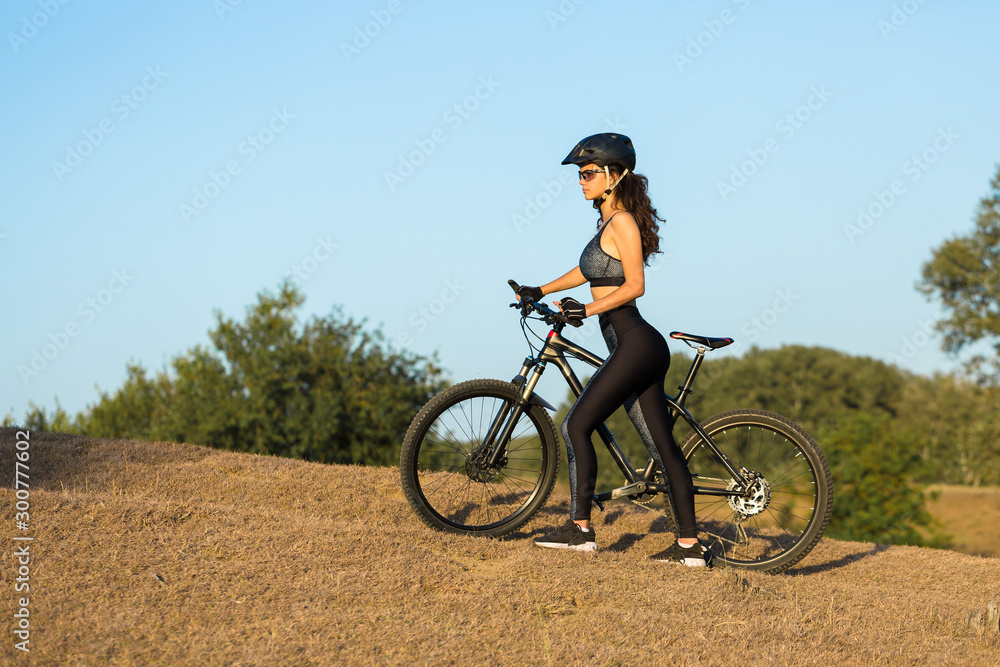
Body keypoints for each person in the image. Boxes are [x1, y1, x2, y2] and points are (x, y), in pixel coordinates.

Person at [516, 133, 711, 567]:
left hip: (636, 342)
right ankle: (689, 547)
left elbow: (635, 285)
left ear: (614, 175)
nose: (580, 181)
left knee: (574, 425)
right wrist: (540, 289)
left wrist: (586, 309)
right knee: (662, 448)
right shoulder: (606, 222)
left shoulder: (621, 221)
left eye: (588, 173)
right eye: (579, 175)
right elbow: (588, 271)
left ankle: (580, 530)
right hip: (633, 345)